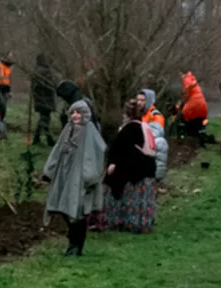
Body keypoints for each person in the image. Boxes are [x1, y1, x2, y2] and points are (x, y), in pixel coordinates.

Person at [41, 100, 105, 256]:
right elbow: (57, 151)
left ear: (85, 114)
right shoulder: (68, 130)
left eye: (79, 112)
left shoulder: (90, 132)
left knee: (78, 212)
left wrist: (89, 178)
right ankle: (72, 242)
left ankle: (76, 246)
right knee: (64, 208)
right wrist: (49, 171)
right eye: (73, 112)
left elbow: (96, 153)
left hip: (81, 180)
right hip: (65, 176)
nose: (75, 116)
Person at [104, 96, 158, 233]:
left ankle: (125, 222)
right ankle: (143, 222)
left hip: (134, 172)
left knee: (126, 197)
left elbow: (122, 150)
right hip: (147, 170)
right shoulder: (144, 126)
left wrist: (114, 165)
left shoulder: (129, 129)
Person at [139, 90, 170, 181]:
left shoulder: (156, 116)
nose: (139, 102)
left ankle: (156, 176)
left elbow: (155, 134)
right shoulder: (140, 113)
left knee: (160, 142)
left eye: (142, 100)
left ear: (148, 101)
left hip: (150, 147)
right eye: (138, 100)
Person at [31, 54, 57, 146]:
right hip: (45, 99)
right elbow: (51, 84)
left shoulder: (37, 70)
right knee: (45, 119)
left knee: (44, 118)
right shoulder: (46, 71)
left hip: (40, 98)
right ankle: (48, 140)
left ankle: (37, 139)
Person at [178, 72, 209, 147]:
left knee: (184, 116)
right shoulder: (193, 79)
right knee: (200, 122)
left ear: (183, 73)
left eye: (179, 74)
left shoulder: (186, 80)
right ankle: (201, 139)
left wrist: (181, 103)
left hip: (194, 103)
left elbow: (186, 93)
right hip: (203, 103)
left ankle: (183, 137)